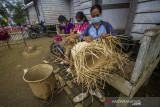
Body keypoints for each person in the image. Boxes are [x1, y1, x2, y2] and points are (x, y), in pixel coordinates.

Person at [73, 4, 117, 103]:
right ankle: (85, 91)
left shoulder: (106, 25)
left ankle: (96, 90)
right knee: (86, 71)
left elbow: (115, 35)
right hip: (90, 52)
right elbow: (80, 37)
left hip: (102, 53)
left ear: (100, 14)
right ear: (91, 16)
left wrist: (107, 35)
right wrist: (85, 38)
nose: (95, 17)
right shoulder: (88, 26)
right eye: (93, 16)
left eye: (97, 15)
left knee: (98, 72)